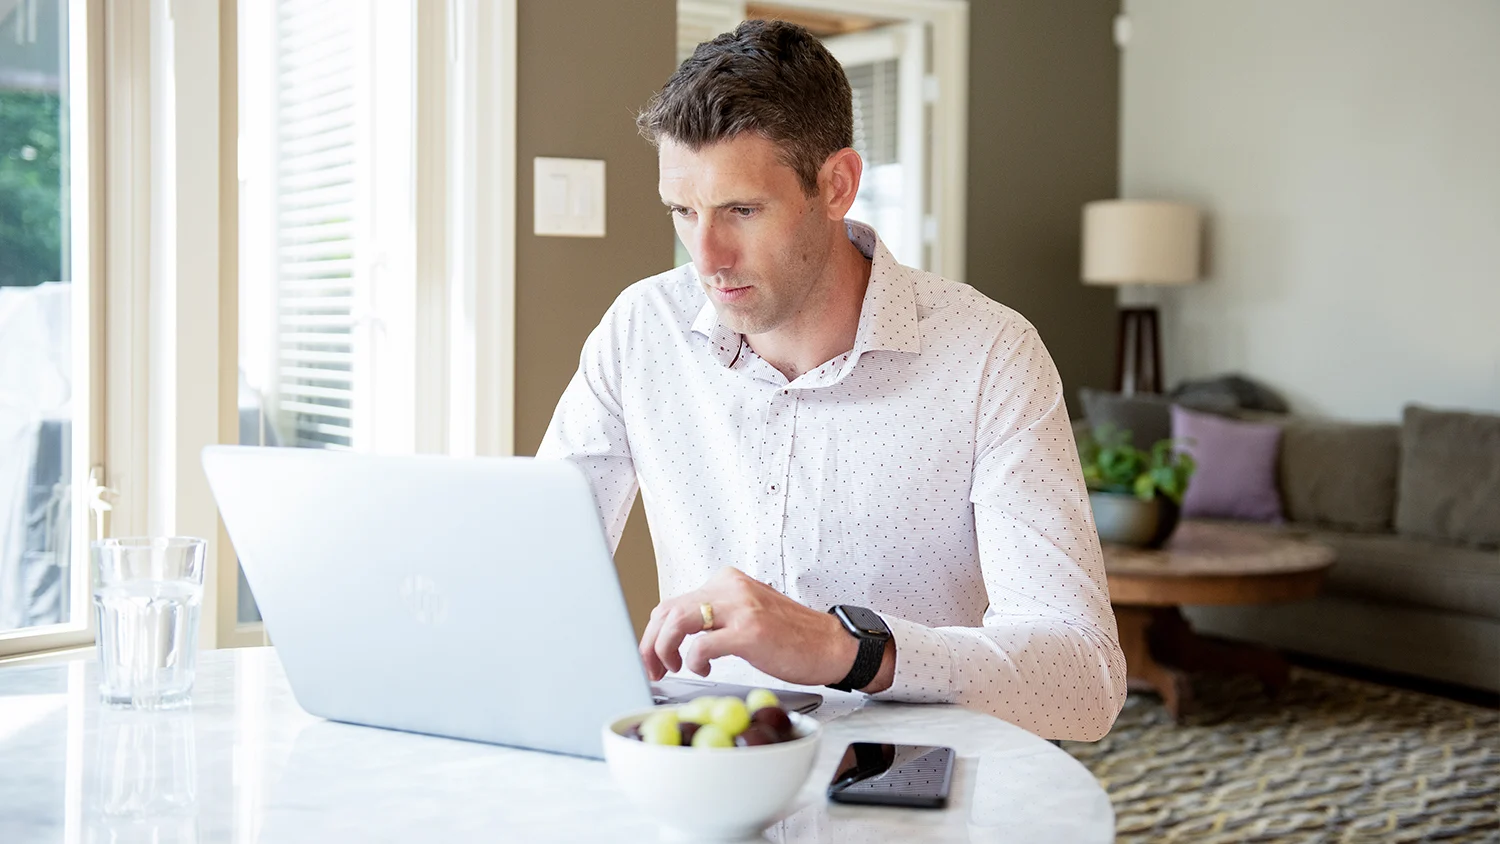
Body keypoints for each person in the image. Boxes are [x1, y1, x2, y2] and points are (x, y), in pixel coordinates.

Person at [537, 19, 1126, 741]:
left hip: (913, 780)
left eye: (742, 211)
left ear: (837, 183)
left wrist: (848, 650)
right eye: (684, 213)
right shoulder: (642, 329)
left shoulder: (990, 355)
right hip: (706, 774)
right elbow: (537, 567)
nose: (707, 256)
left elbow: (1084, 682)